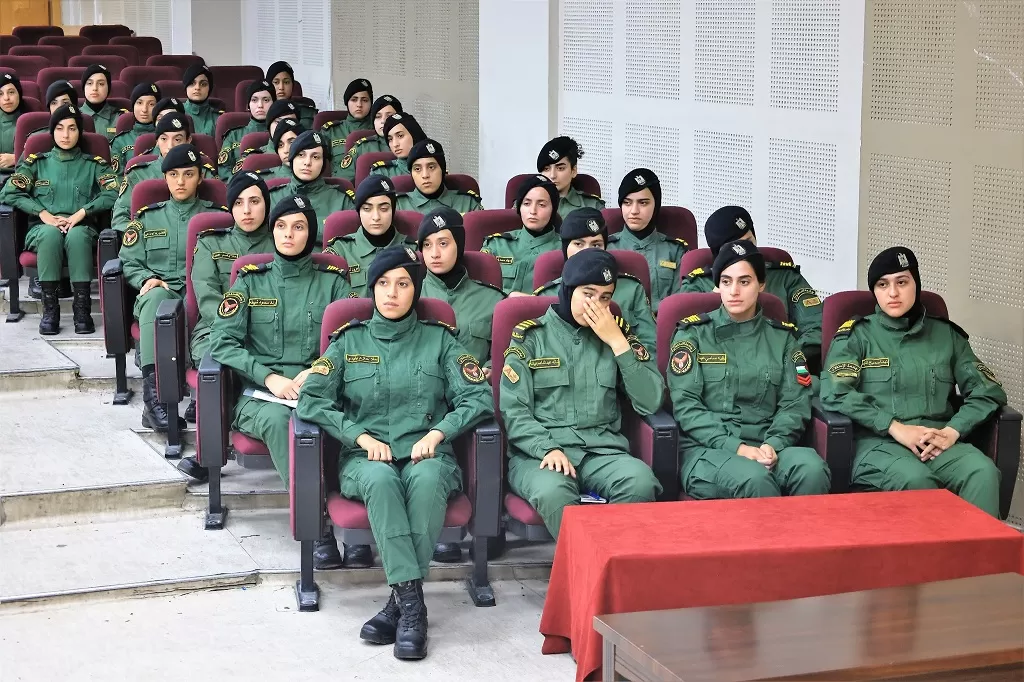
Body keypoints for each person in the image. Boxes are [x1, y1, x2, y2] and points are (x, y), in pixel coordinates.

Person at [296, 244, 493, 660]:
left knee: (427, 480)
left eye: (403, 284)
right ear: (371, 289)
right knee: (382, 482)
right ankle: (413, 607)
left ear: (415, 290)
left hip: (428, 454)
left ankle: (399, 605)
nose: (392, 292)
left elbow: (478, 398)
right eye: (383, 283)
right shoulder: (348, 341)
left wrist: (439, 433)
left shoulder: (440, 341)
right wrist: (358, 437)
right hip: (365, 457)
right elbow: (312, 399)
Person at [209, 194, 353, 564]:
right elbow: (221, 342)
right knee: (283, 423)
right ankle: (318, 525)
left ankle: (355, 527)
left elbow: (351, 340)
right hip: (262, 396)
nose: (289, 234)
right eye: (281, 226)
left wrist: (317, 371)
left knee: (350, 418)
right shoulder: (250, 282)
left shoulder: (333, 283)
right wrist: (268, 376)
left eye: (299, 227)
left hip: (319, 389)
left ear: (311, 233)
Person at [819, 247, 1006, 517]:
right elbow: (836, 392)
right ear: (874, 291)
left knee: (982, 472)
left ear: (916, 284)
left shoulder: (946, 336)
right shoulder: (856, 336)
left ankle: (980, 547)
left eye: (902, 282)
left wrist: (953, 431)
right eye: (883, 285)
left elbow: (988, 391)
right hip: (878, 444)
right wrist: (895, 427)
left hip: (937, 441)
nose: (893, 293)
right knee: (916, 481)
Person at [500, 248, 662, 539]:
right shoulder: (531, 338)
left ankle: (610, 560)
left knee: (640, 483)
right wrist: (547, 448)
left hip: (604, 452)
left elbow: (650, 401)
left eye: (605, 297)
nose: (597, 305)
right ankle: (588, 564)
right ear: (567, 289)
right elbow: (514, 410)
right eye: (588, 294)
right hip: (540, 455)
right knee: (553, 492)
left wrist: (618, 344)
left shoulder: (618, 335)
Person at [668, 240, 831, 500]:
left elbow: (795, 403)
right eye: (726, 281)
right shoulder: (693, 335)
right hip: (708, 450)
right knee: (755, 480)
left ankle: (804, 529)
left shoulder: (783, 339)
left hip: (769, 444)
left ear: (761, 284)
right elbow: (687, 407)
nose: (734, 291)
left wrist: (774, 444)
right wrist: (738, 448)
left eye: (744, 282)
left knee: (812, 470)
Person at [119, 144, 229, 430]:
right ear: (165, 177)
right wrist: (146, 279)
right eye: (174, 174)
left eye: (188, 174)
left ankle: (199, 392)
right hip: (164, 290)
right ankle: (154, 401)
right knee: (156, 299)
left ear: (200, 177)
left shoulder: (218, 218)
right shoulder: (147, 218)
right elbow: (128, 260)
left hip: (202, 292)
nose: (180, 181)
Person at [176, 172, 276, 469]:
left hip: (270, 332)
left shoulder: (281, 242)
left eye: (255, 202)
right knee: (217, 363)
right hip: (215, 329)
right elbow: (208, 299)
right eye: (239, 203)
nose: (247, 210)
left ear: (266, 205)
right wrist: (239, 332)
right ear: (230, 208)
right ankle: (209, 453)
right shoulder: (210, 244)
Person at [0, 104, 118, 334]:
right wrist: (42, 213)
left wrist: (82, 213)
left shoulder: (93, 165)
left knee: (77, 236)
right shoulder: (37, 163)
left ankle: (82, 310)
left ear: (79, 132)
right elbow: (9, 192)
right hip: (42, 227)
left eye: (72, 128)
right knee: (50, 235)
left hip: (82, 226)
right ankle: (50, 310)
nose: (66, 134)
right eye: (60, 128)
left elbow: (115, 192)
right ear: (52, 131)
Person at [681, 206, 823, 364]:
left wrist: (786, 358)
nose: (744, 252)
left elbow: (817, 329)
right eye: (735, 248)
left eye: (749, 242)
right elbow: (686, 340)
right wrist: (715, 293)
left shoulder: (785, 277)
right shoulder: (698, 286)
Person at [533, 208, 655, 351]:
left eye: (596, 245)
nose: (588, 251)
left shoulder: (631, 289)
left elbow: (651, 347)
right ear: (565, 248)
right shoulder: (547, 294)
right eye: (579, 244)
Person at [419, 206, 505, 368]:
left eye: (443, 243)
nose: (434, 253)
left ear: (459, 244)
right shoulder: (411, 297)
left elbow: (505, 354)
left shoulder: (493, 300)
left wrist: (491, 368)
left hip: (477, 382)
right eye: (427, 245)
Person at [111, 112, 217, 232]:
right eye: (164, 139)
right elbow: (120, 218)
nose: (170, 146)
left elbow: (217, 214)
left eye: (177, 139)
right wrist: (141, 236)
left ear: (188, 140)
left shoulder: (204, 172)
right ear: (157, 141)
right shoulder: (137, 174)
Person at [607, 168, 688, 312]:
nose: (634, 211)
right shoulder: (606, 248)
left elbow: (680, 303)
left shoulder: (675, 250)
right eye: (627, 203)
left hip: (663, 323)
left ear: (656, 205)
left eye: (643, 203)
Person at [325, 175, 416, 296]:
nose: (376, 217)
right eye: (367, 209)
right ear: (359, 212)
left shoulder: (413, 250)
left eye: (384, 209)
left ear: (393, 210)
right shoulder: (340, 251)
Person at [266, 129, 355, 245]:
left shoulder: (342, 200)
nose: (307, 162)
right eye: (301, 155)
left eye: (315, 157)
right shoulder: (271, 198)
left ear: (323, 164)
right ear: (292, 159)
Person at [481, 174, 560, 295]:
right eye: (526, 203)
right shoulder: (497, 245)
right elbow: (479, 289)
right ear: (519, 208)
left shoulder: (564, 250)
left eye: (542, 205)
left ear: (553, 209)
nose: (533, 211)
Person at [396, 139, 482, 214]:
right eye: (417, 169)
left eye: (431, 167)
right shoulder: (399, 205)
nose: (425, 175)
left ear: (442, 169)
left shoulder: (468, 203)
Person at [218, 79, 274, 182]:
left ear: (274, 104)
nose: (260, 105)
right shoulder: (233, 135)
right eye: (254, 100)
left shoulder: (281, 134)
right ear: (248, 105)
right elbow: (224, 171)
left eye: (266, 100)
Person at [336, 94, 401, 181]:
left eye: (389, 116)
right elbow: (342, 180)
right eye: (378, 117)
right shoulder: (362, 147)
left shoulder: (410, 145)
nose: (383, 121)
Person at [537, 136, 604, 219]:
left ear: (573, 171)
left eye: (560, 168)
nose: (552, 176)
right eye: (546, 169)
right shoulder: (528, 204)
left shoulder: (593, 206)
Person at [109, 82, 160, 175]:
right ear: (133, 106)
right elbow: (117, 176)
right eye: (139, 103)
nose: (144, 109)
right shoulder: (121, 140)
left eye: (151, 104)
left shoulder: (166, 137)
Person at [320, 78, 373, 150]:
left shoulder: (379, 130)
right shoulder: (331, 131)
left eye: (364, 100)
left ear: (371, 103)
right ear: (347, 103)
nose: (359, 105)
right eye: (354, 100)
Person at [371, 113, 427, 178]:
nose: (395, 144)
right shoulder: (382, 172)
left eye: (400, 136)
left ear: (414, 135)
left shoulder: (434, 165)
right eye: (390, 139)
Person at [80, 64, 125, 142]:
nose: (95, 88)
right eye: (89, 83)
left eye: (101, 84)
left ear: (108, 88)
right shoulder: (73, 117)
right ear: (83, 87)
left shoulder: (120, 118)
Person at [265, 61, 317, 128]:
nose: (281, 87)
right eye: (276, 82)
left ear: (292, 85)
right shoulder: (260, 111)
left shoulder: (307, 113)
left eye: (286, 82)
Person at [182, 64, 223, 138]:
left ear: (209, 89)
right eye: (192, 83)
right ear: (186, 87)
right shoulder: (176, 113)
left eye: (203, 84)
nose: (197, 87)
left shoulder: (219, 118)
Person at [0, 73, 27, 169]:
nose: (6, 98)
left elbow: (42, 153)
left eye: (11, 92)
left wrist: (16, 158)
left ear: (19, 93)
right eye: (0, 94)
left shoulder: (31, 121)